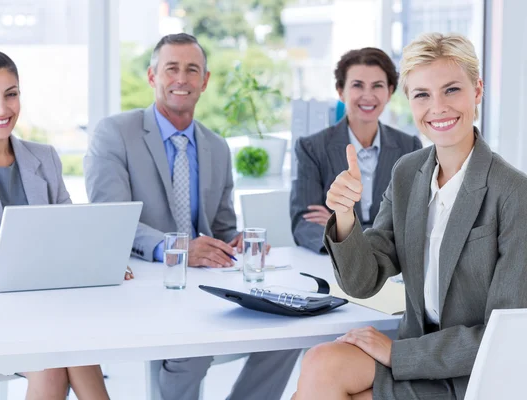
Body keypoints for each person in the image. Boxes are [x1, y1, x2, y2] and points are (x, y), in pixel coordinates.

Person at [293, 32, 527, 400]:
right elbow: (363, 282)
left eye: (451, 90)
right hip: (417, 353)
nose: (438, 107)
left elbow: (502, 336)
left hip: (475, 373)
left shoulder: (514, 192)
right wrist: (344, 217)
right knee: (320, 363)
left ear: (477, 91)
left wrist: (397, 353)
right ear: (409, 102)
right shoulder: (408, 172)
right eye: (422, 95)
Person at [84, 33, 299, 400]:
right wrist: (179, 247)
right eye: (172, 69)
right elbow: (112, 222)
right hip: (148, 286)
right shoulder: (115, 133)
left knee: (288, 332)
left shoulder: (216, 146)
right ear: (153, 77)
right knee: (193, 355)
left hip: (205, 286)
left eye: (192, 70)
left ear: (205, 80)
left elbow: (222, 228)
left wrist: (237, 240)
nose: (181, 79)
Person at [0, 50, 110, 400]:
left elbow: (71, 230)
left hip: (44, 305)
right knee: (59, 360)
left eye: (11, 94)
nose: (3, 108)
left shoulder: (44, 158)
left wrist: (100, 256)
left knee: (74, 351)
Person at [290, 47, 422, 254]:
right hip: (335, 266)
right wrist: (357, 245)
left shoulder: (409, 147)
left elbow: (412, 222)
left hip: (391, 266)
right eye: (357, 85)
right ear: (341, 91)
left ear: (389, 92)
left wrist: (344, 228)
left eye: (377, 86)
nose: (367, 95)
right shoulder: (312, 148)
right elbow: (304, 225)